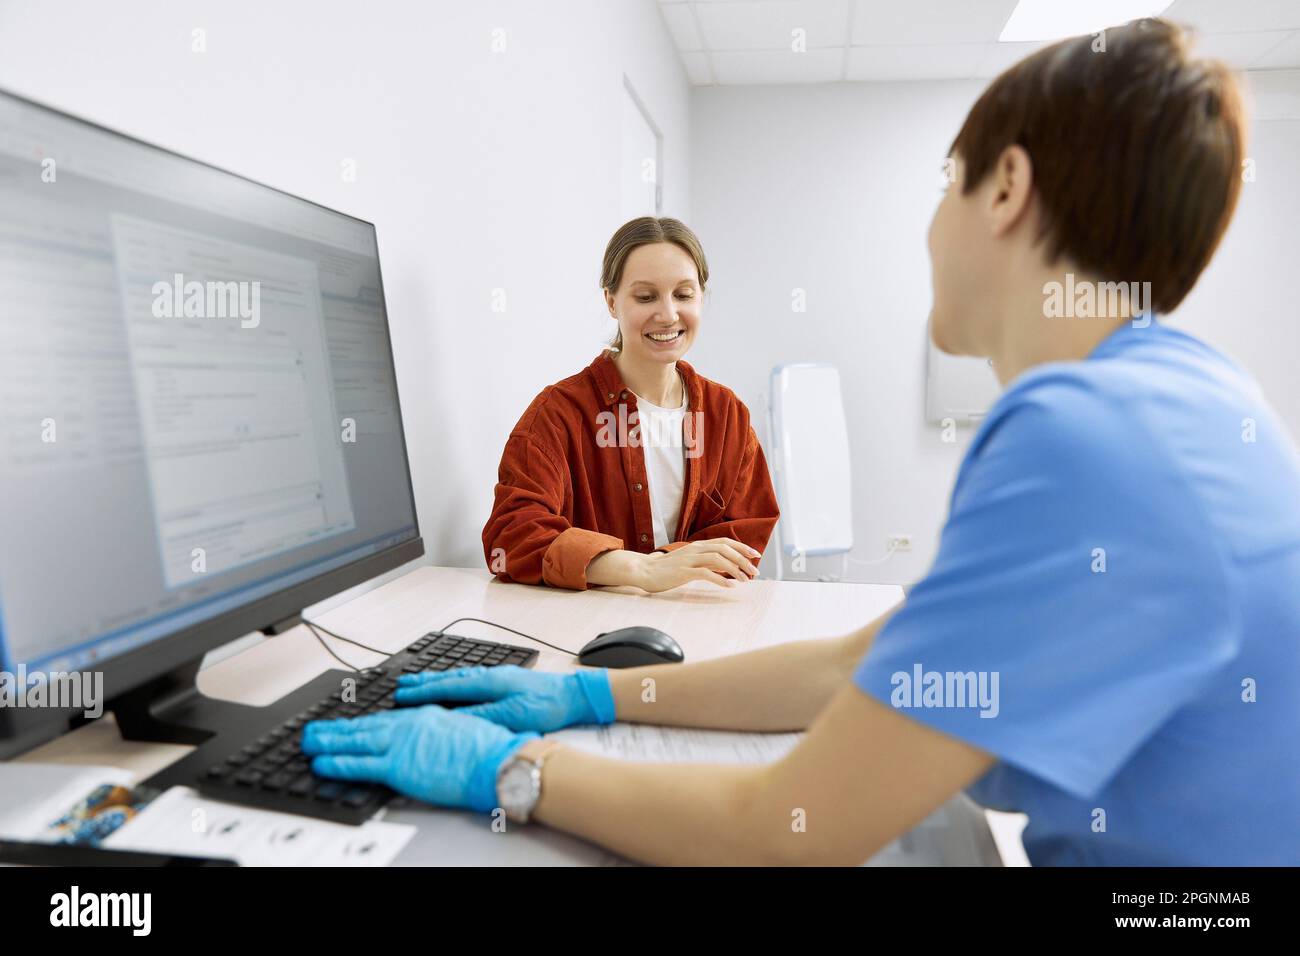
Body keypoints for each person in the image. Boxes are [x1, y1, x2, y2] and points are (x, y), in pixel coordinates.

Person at [304, 19, 1300, 865]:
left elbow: (785, 828)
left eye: (943, 183)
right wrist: (589, 690)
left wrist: (506, 771)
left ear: (1003, 189)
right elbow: (844, 671)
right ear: (611, 301)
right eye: (643, 295)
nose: (928, 228)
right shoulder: (1182, 398)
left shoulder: (1081, 436)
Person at [481, 216, 779, 592]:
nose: (668, 314)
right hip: (584, 631)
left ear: (702, 297)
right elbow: (511, 535)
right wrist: (640, 571)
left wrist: (667, 566)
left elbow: (745, 536)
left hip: (696, 620)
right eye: (645, 296)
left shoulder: (727, 415)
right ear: (611, 301)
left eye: (684, 294)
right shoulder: (557, 415)